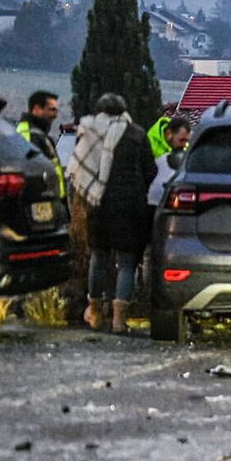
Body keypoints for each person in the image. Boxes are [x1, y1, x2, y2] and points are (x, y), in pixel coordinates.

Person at [68, 93, 156, 335]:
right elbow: (151, 170)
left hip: (99, 205)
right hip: (130, 207)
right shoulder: (137, 134)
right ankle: (119, 320)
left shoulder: (89, 133)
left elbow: (77, 172)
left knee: (98, 258)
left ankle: (95, 312)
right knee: (126, 263)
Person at [16, 89, 66, 199]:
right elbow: (30, 171)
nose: (55, 115)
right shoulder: (29, 134)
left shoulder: (40, 135)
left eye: (56, 110)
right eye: (51, 110)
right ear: (37, 109)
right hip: (39, 202)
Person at [146, 116, 193, 212]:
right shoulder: (150, 144)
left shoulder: (180, 147)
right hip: (152, 202)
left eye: (187, 141)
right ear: (168, 134)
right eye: (181, 140)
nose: (184, 145)